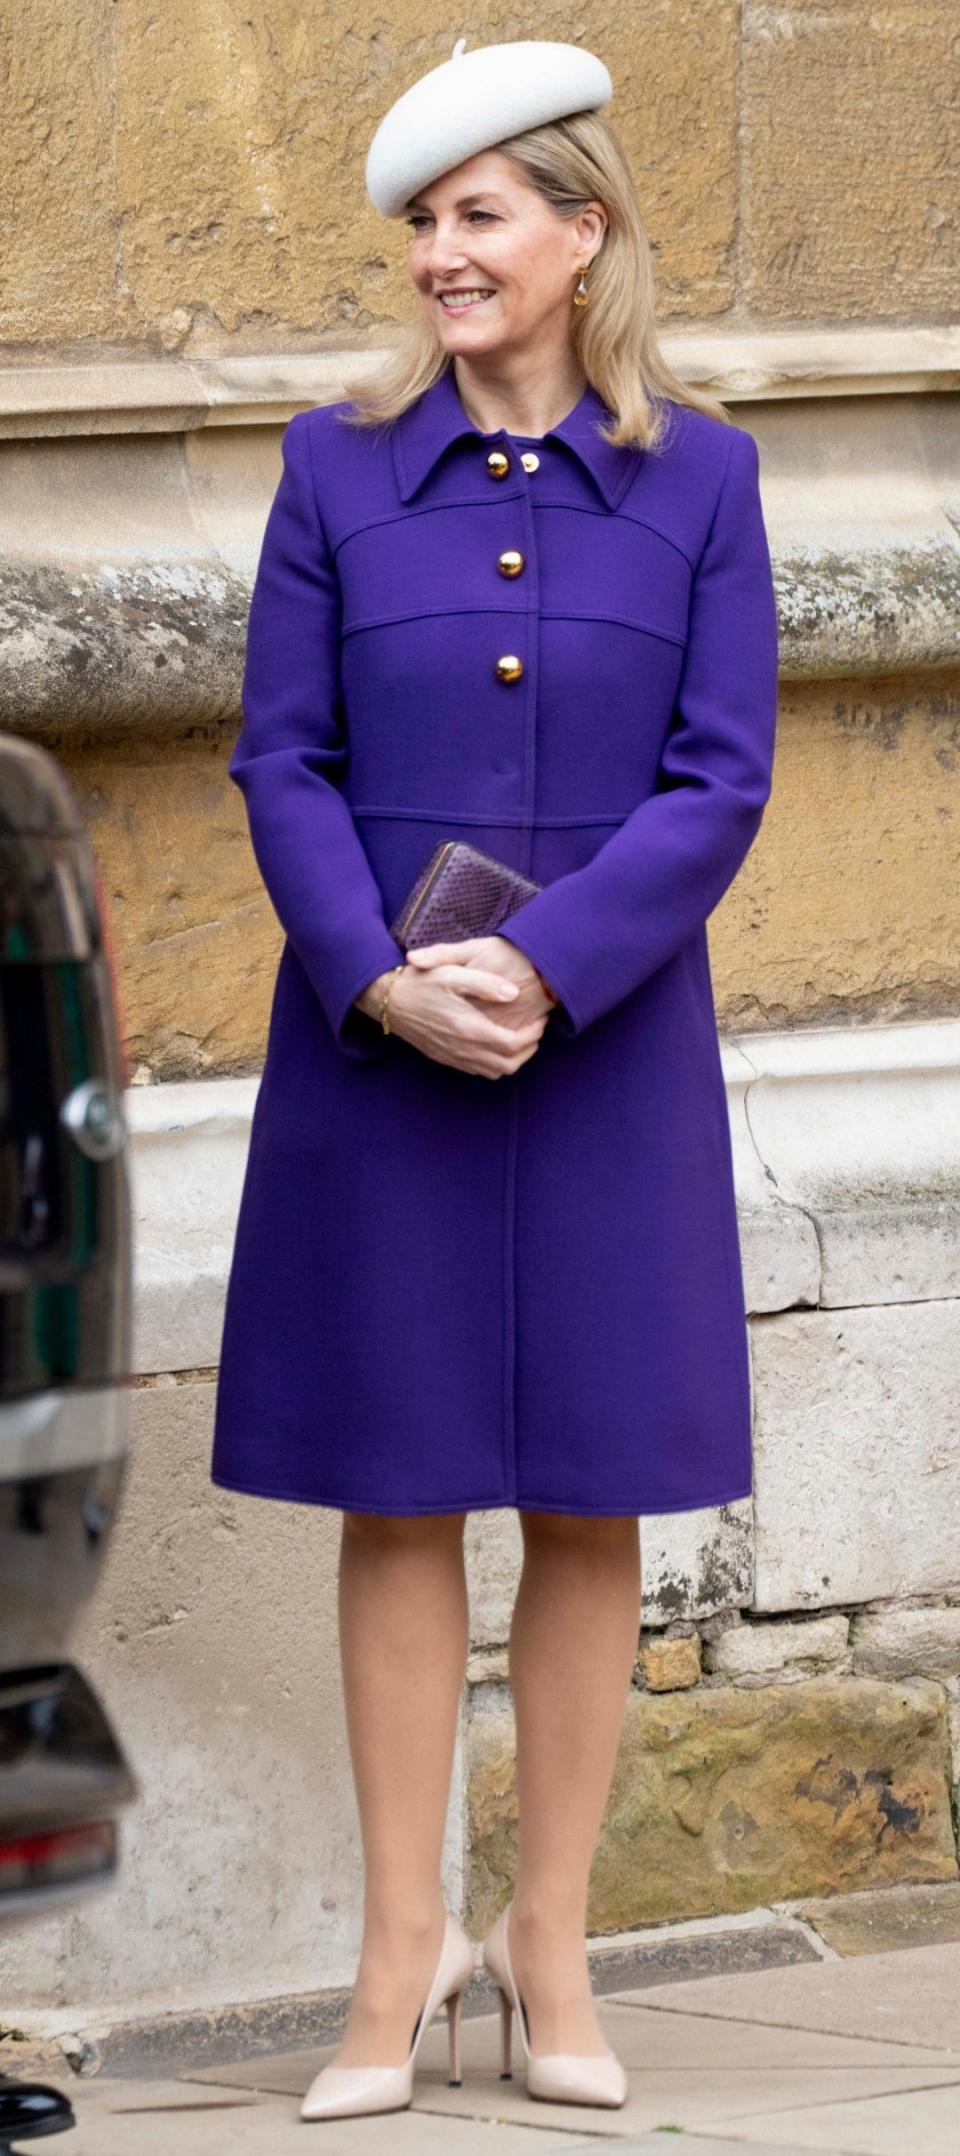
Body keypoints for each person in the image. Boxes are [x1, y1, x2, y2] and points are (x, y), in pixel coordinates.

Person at [210, 32, 779, 2123]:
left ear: (582, 230)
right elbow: (282, 759)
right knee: (397, 1485)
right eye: (422, 227)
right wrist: (379, 982)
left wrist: (540, 968)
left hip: (608, 1053)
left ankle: (548, 1943)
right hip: (379, 1056)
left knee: (592, 1486)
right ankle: (397, 1949)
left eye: (480, 216)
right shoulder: (331, 467)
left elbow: (722, 780)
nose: (441, 256)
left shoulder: (704, 479)